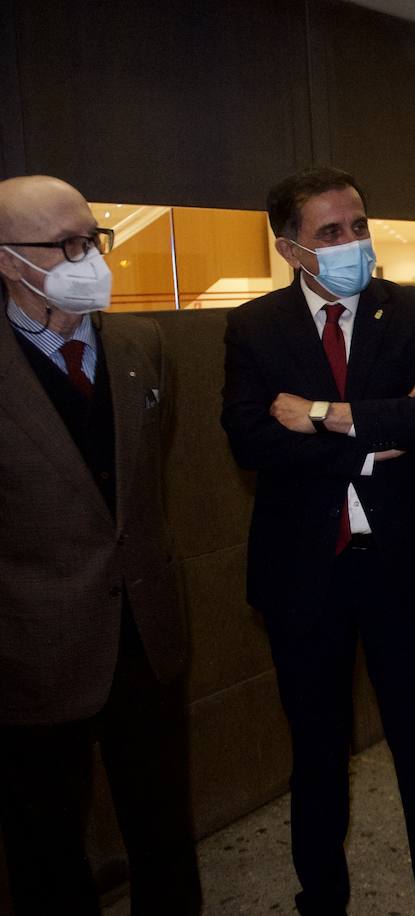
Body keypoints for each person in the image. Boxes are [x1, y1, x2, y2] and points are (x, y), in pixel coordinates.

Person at [220, 166, 415, 916]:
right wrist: (378, 438)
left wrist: (319, 415)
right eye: (330, 232)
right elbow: (249, 439)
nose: (353, 242)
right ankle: (322, 900)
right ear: (290, 248)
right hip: (306, 572)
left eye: (359, 226)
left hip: (407, 566)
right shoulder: (254, 327)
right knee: (317, 753)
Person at [0, 175, 202, 913]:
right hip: (33, 648)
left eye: (93, 238)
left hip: (146, 634)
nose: (88, 258)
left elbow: (143, 476)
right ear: (6, 260)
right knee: (46, 845)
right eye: (65, 244)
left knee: (164, 828)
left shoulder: (141, 343)